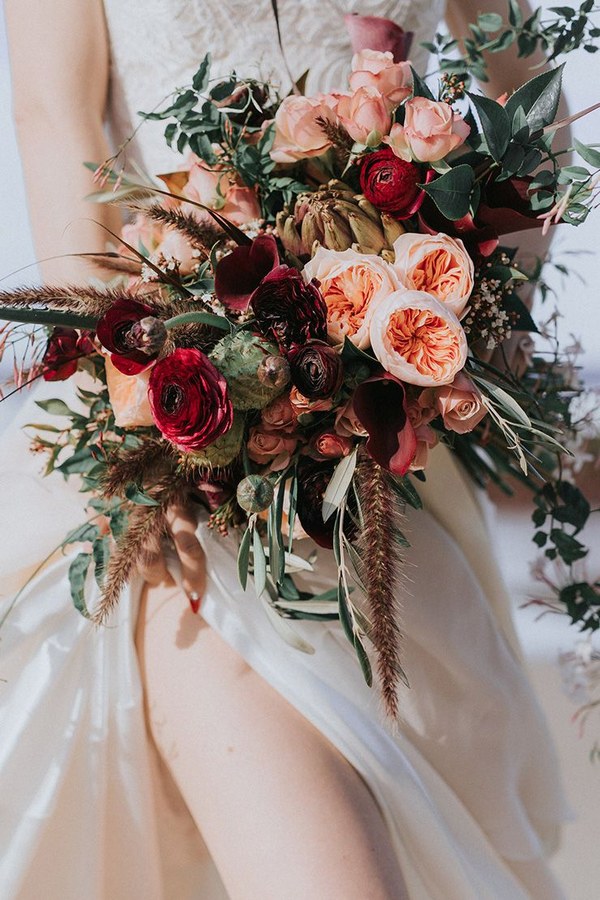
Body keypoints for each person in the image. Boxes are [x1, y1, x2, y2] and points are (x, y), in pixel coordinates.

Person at [1, 1, 570, 897]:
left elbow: (528, 97)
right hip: (190, 486)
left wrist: (470, 327)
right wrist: (141, 440)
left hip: (388, 482)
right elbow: (56, 126)